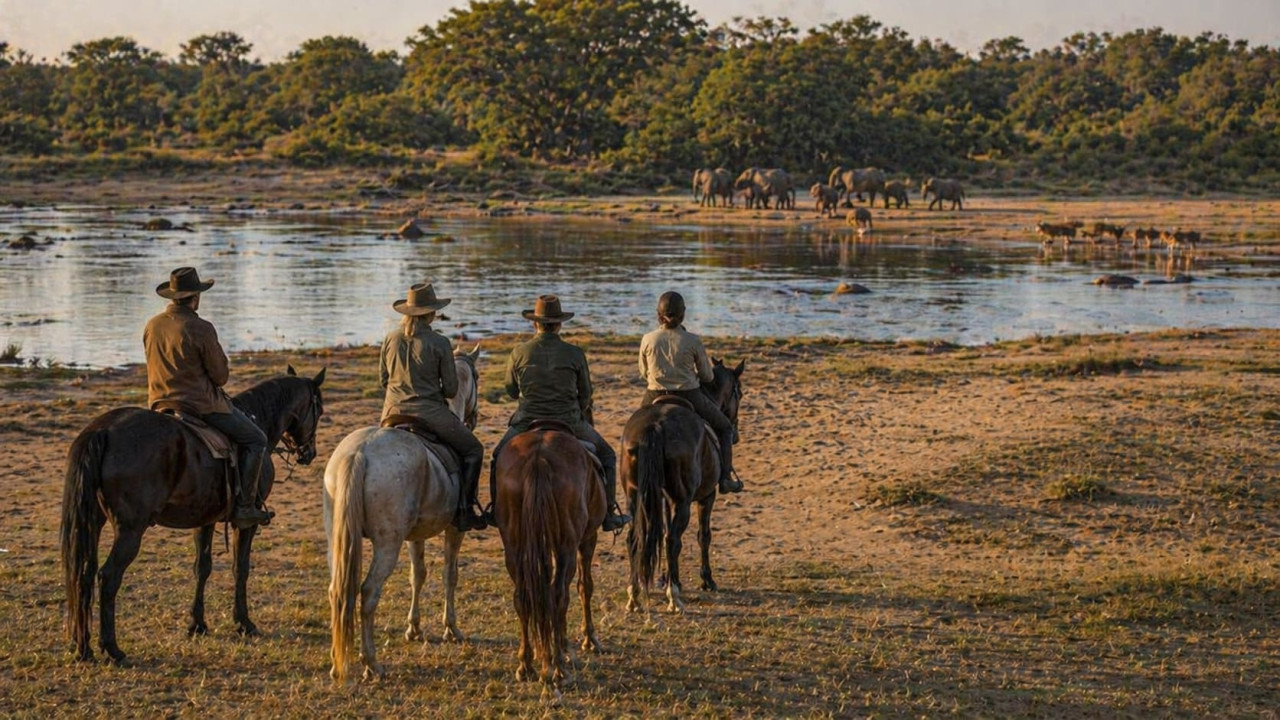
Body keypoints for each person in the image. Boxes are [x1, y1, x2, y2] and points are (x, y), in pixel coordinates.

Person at [485, 295, 631, 532]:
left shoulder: (519, 352)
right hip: (569, 420)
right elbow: (586, 394)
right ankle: (609, 515)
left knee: (497, 456)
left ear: (535, 323)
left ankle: (496, 511)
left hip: (526, 421)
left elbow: (511, 391)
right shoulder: (574, 353)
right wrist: (577, 410)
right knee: (608, 455)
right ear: (559, 324)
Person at [144, 266, 273, 528]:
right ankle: (245, 507)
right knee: (257, 439)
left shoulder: (152, 325)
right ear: (195, 298)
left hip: (158, 403)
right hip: (200, 405)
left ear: (172, 296)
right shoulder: (200, 327)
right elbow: (220, 376)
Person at [380, 282, 487, 532]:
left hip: (391, 413)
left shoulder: (390, 338)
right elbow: (450, 390)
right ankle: (464, 510)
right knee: (474, 450)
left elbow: (383, 380)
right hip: (430, 415)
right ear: (431, 313)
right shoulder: (439, 342)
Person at [638, 291, 743, 493]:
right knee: (725, 427)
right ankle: (725, 478)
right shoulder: (692, 340)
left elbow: (644, 372)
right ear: (683, 314)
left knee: (637, 428)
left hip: (654, 394)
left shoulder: (647, 339)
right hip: (689, 395)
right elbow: (707, 376)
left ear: (658, 315)